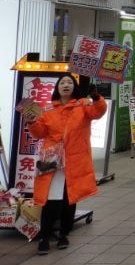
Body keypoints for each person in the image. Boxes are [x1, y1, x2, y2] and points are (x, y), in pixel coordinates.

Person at [27, 75, 107, 254]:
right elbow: (39, 133)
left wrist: (96, 97)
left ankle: (64, 235)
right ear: (57, 87)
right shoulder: (47, 110)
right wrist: (32, 121)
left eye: (70, 82)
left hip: (74, 160)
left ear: (75, 87)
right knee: (50, 201)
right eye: (62, 82)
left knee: (69, 199)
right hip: (52, 161)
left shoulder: (83, 105)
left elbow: (99, 112)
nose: (66, 85)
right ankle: (44, 237)